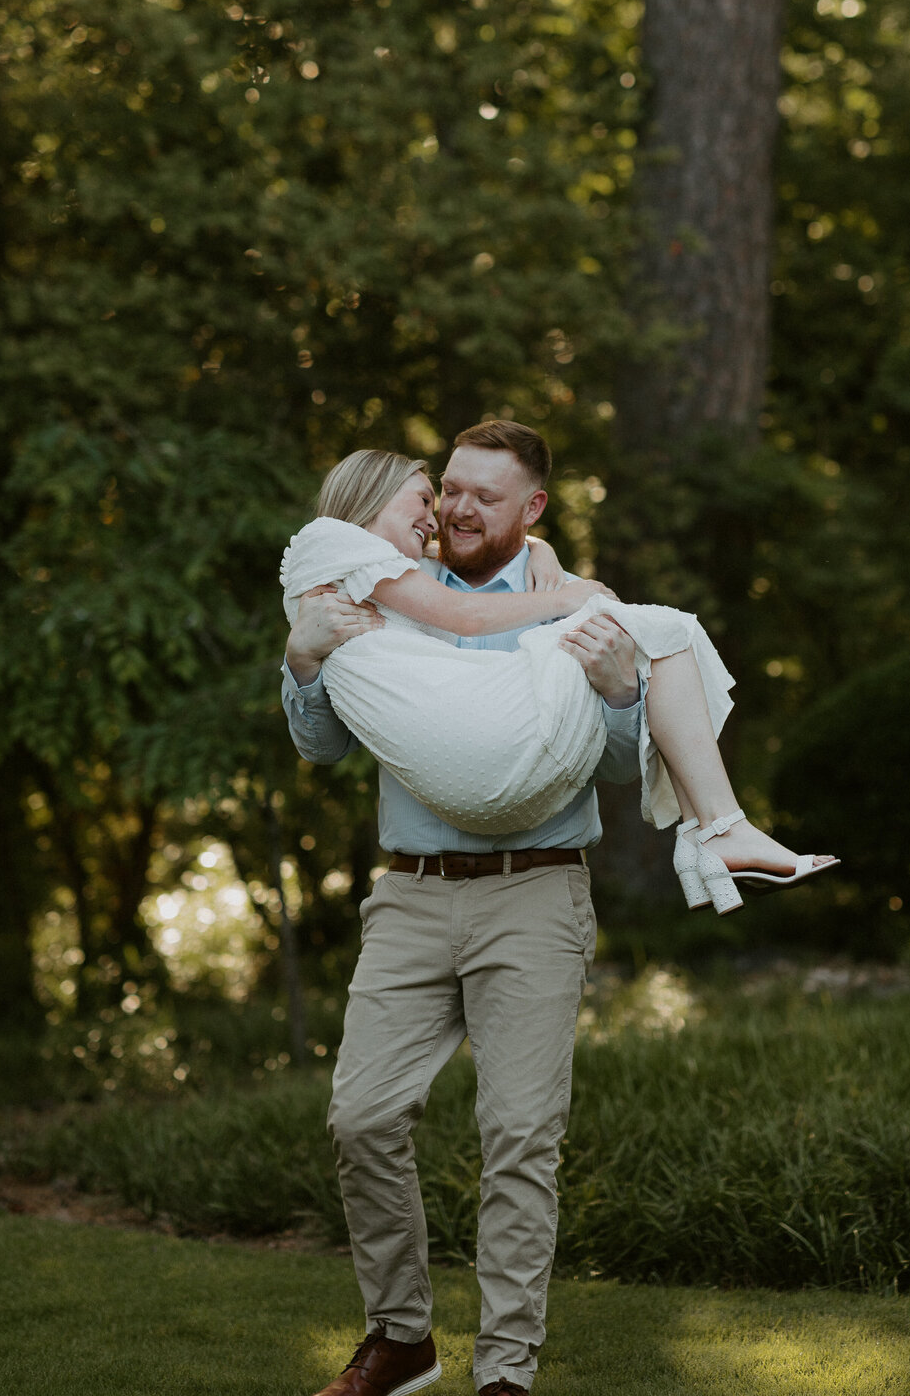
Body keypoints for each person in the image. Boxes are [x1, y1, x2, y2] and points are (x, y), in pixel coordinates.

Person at [281, 422, 835, 1396]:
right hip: (410, 895)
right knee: (364, 1117)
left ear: (532, 509)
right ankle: (400, 1341)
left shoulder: (572, 603)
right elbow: (322, 744)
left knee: (520, 1138)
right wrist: (301, 663)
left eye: (479, 499)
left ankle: (505, 1376)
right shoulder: (382, 579)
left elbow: (622, 765)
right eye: (446, 490)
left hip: (534, 893)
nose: (454, 509)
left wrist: (622, 691)